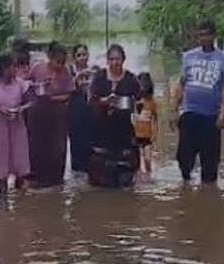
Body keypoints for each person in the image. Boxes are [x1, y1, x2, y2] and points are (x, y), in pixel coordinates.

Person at [170, 20, 224, 184]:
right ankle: (186, 185)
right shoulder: (189, 56)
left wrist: (223, 113)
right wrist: (173, 109)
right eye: (201, 35)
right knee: (184, 157)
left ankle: (208, 196)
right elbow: (181, 83)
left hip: (211, 116)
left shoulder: (223, 59)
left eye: (207, 34)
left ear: (213, 36)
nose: (204, 38)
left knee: (210, 165)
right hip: (189, 113)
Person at [0, 54, 30, 206]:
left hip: (17, 128)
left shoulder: (20, 84)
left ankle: (20, 204)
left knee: (20, 165)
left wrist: (21, 108)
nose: (15, 70)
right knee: (2, 168)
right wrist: (0, 110)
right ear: (4, 68)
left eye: (16, 66)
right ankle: (3, 204)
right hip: (0, 130)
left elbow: (33, 100)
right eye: (12, 66)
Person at [89, 44, 141, 186]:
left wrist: (133, 105)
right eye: (111, 59)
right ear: (107, 60)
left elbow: (140, 101)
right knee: (101, 178)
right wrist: (103, 101)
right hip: (102, 130)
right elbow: (91, 100)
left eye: (118, 59)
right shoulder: (99, 77)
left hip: (124, 130)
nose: (115, 62)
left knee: (125, 178)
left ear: (123, 60)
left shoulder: (131, 79)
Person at [27, 42, 74, 188]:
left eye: (62, 62)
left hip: (58, 114)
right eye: (57, 61)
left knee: (58, 148)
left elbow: (69, 94)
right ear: (49, 57)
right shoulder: (37, 69)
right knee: (37, 146)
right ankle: (37, 178)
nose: (59, 65)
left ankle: (56, 180)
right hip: (38, 114)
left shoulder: (66, 72)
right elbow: (28, 87)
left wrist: (52, 98)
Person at [68, 44, 95, 173]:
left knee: (90, 141)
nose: (82, 58)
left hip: (90, 112)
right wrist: (77, 78)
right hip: (74, 112)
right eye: (79, 55)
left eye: (84, 54)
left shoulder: (94, 71)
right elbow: (66, 88)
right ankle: (76, 171)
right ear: (74, 58)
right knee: (76, 143)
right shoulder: (70, 71)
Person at [134, 72, 158, 174]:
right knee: (137, 162)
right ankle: (140, 181)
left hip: (147, 136)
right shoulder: (134, 101)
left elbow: (155, 119)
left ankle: (149, 177)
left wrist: (155, 134)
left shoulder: (152, 102)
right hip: (135, 135)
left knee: (147, 159)